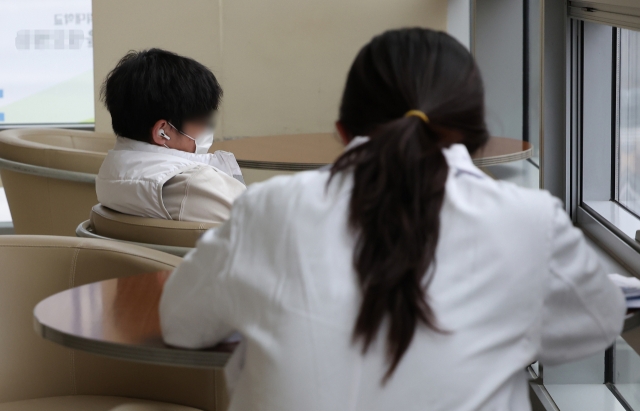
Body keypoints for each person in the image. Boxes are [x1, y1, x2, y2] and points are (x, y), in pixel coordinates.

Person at [159, 29, 626, 411]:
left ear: (342, 131)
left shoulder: (268, 208)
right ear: (478, 137)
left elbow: (180, 323)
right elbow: (599, 320)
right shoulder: (528, 222)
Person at [96, 49, 246, 223]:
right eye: (202, 120)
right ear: (163, 132)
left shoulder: (109, 173)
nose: (207, 128)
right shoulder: (194, 184)